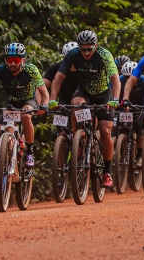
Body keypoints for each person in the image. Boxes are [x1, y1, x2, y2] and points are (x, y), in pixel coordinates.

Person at [49, 30, 121, 188]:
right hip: (84, 92)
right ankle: (79, 141)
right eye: (83, 49)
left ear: (96, 46)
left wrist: (115, 99)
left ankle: (107, 171)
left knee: (105, 132)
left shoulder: (104, 55)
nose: (86, 53)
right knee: (75, 103)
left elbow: (115, 79)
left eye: (89, 49)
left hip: (103, 94)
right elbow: (58, 78)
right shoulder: (73, 54)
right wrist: (52, 99)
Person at [0, 42, 48, 172]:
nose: (12, 63)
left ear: (22, 60)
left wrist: (44, 106)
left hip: (28, 100)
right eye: (9, 60)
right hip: (11, 102)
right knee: (0, 129)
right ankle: (2, 160)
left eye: (16, 60)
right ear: (5, 61)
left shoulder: (31, 69)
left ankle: (29, 152)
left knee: (26, 117)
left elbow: (44, 93)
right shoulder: (1, 70)